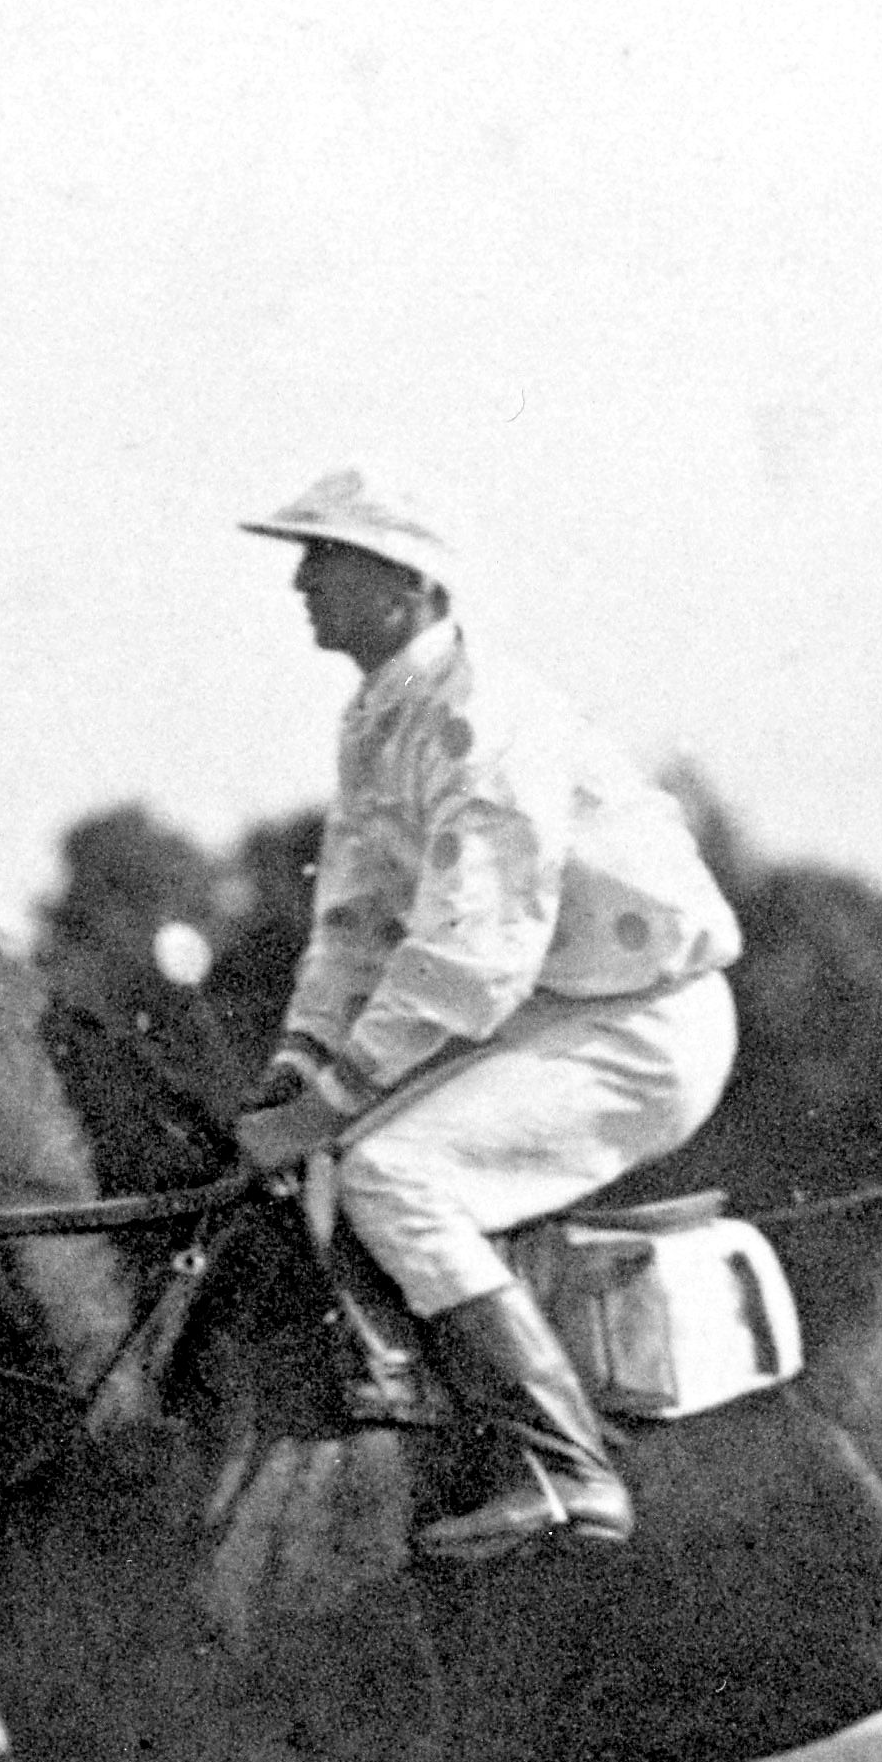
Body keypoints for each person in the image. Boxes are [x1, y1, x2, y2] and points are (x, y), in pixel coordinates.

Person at [220, 468, 742, 1562]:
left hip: (643, 1026)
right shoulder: (380, 716)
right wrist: (298, 1061)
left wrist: (319, 1116)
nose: (299, 580)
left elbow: (469, 961)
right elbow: (358, 923)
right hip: (560, 1009)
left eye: (325, 556)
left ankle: (564, 1466)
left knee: (388, 1174)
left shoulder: (479, 720)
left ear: (407, 584)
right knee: (349, 1152)